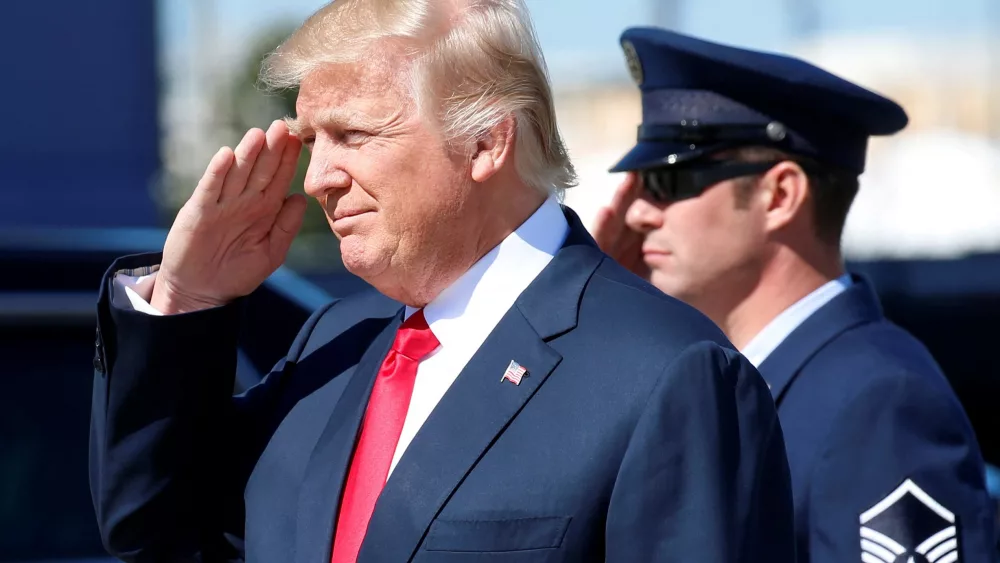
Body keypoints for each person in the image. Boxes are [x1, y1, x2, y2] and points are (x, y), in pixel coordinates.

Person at [88, 3, 796, 562]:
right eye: (312, 141)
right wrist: (188, 301)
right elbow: (157, 531)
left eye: (355, 135)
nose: (318, 179)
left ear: (488, 140)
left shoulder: (664, 372)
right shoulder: (333, 346)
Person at [595, 26, 998, 563]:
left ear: (780, 195)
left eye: (671, 182)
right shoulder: (722, 385)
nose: (640, 213)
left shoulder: (880, 407)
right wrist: (615, 316)